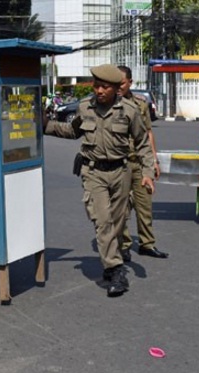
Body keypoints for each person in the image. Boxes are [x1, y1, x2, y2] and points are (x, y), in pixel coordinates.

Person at [43, 64, 155, 297]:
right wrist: (44, 125)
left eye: (105, 86)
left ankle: (112, 258)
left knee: (118, 220)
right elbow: (72, 131)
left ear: (116, 88)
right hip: (93, 172)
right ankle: (115, 269)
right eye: (96, 86)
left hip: (121, 172)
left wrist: (147, 173)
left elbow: (143, 143)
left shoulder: (130, 111)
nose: (99, 90)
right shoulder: (85, 107)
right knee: (102, 221)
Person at [117, 65, 169, 261]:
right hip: (120, 164)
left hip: (139, 161)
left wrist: (153, 160)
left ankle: (147, 244)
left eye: (121, 83)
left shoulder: (140, 104)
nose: (118, 87)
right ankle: (123, 245)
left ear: (130, 82)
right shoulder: (110, 104)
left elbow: (148, 133)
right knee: (121, 208)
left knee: (144, 203)